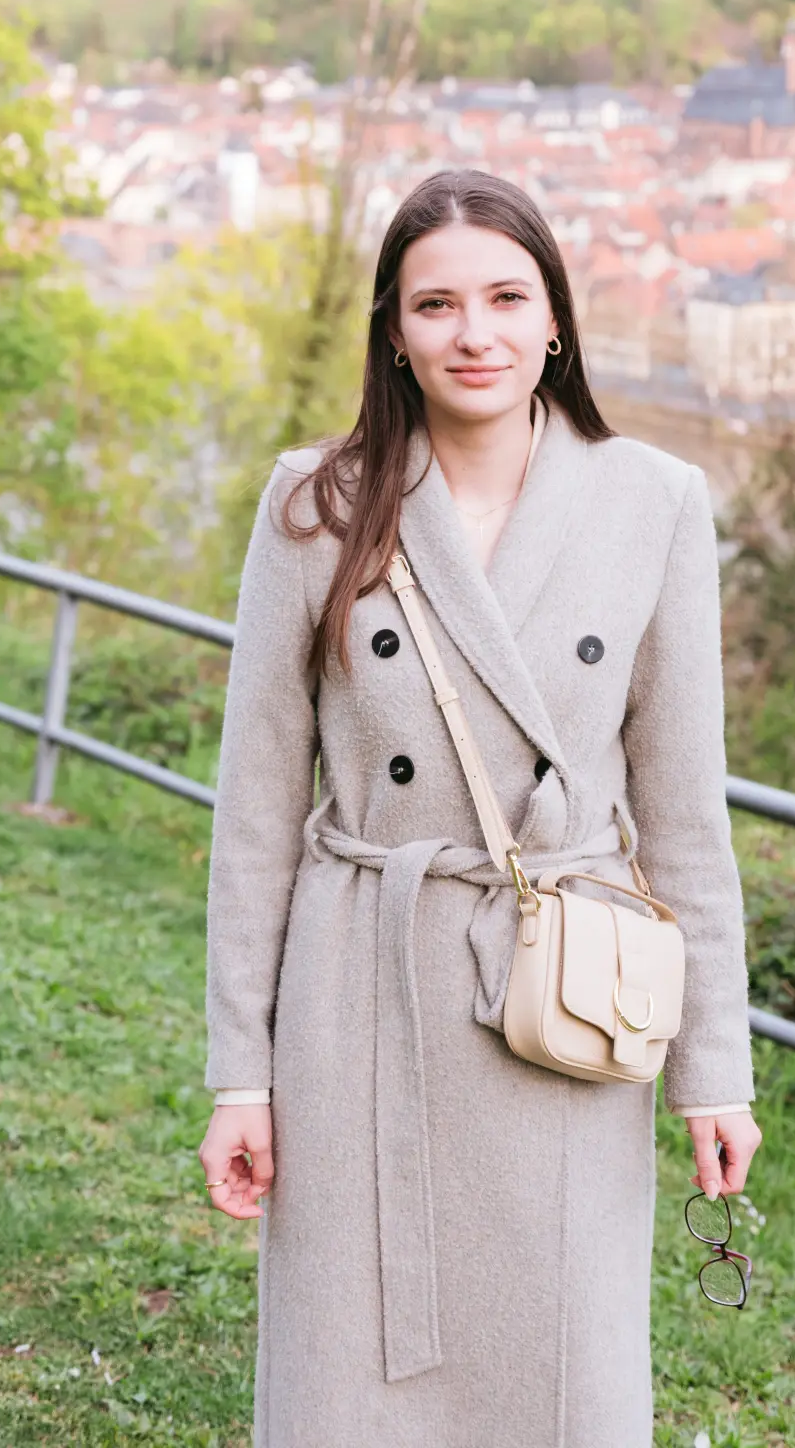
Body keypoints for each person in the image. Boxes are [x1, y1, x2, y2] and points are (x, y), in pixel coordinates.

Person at [198, 167, 761, 1447]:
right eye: (436, 303)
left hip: (560, 999)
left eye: (507, 296)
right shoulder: (316, 503)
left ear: (554, 317)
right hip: (360, 999)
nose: (475, 333)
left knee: (555, 1373)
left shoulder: (653, 503)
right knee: (351, 1376)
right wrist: (241, 1071)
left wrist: (712, 1078)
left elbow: (684, 817)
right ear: (393, 332)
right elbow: (254, 811)